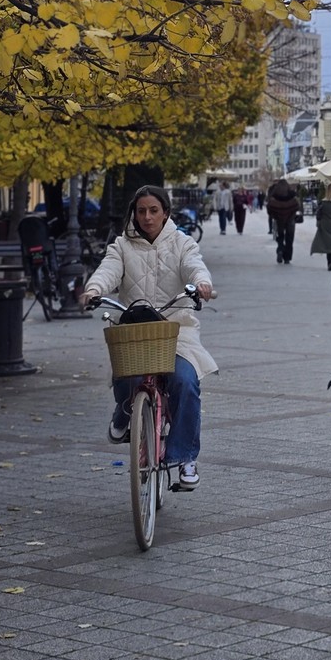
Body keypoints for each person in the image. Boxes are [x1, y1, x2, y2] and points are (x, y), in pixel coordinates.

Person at [80, 185, 215, 492]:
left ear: (165, 213)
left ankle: (184, 457)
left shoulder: (182, 243)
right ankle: (125, 410)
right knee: (127, 373)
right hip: (136, 328)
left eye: (154, 210)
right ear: (134, 214)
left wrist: (202, 283)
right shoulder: (121, 245)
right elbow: (108, 270)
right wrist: (93, 290)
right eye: (141, 211)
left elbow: (194, 266)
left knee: (185, 381)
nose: (147, 217)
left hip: (176, 330)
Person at [266, 178, 300, 264]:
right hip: (290, 219)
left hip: (279, 219)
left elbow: (269, 207)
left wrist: (274, 215)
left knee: (280, 236)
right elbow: (297, 206)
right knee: (289, 238)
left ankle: (280, 249)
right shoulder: (292, 194)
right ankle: (287, 257)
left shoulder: (274, 195)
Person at [311, 183, 331, 271]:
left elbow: (319, 214)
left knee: (328, 244)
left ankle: (329, 262)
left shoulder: (323, 202)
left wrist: (318, 223)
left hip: (325, 225)